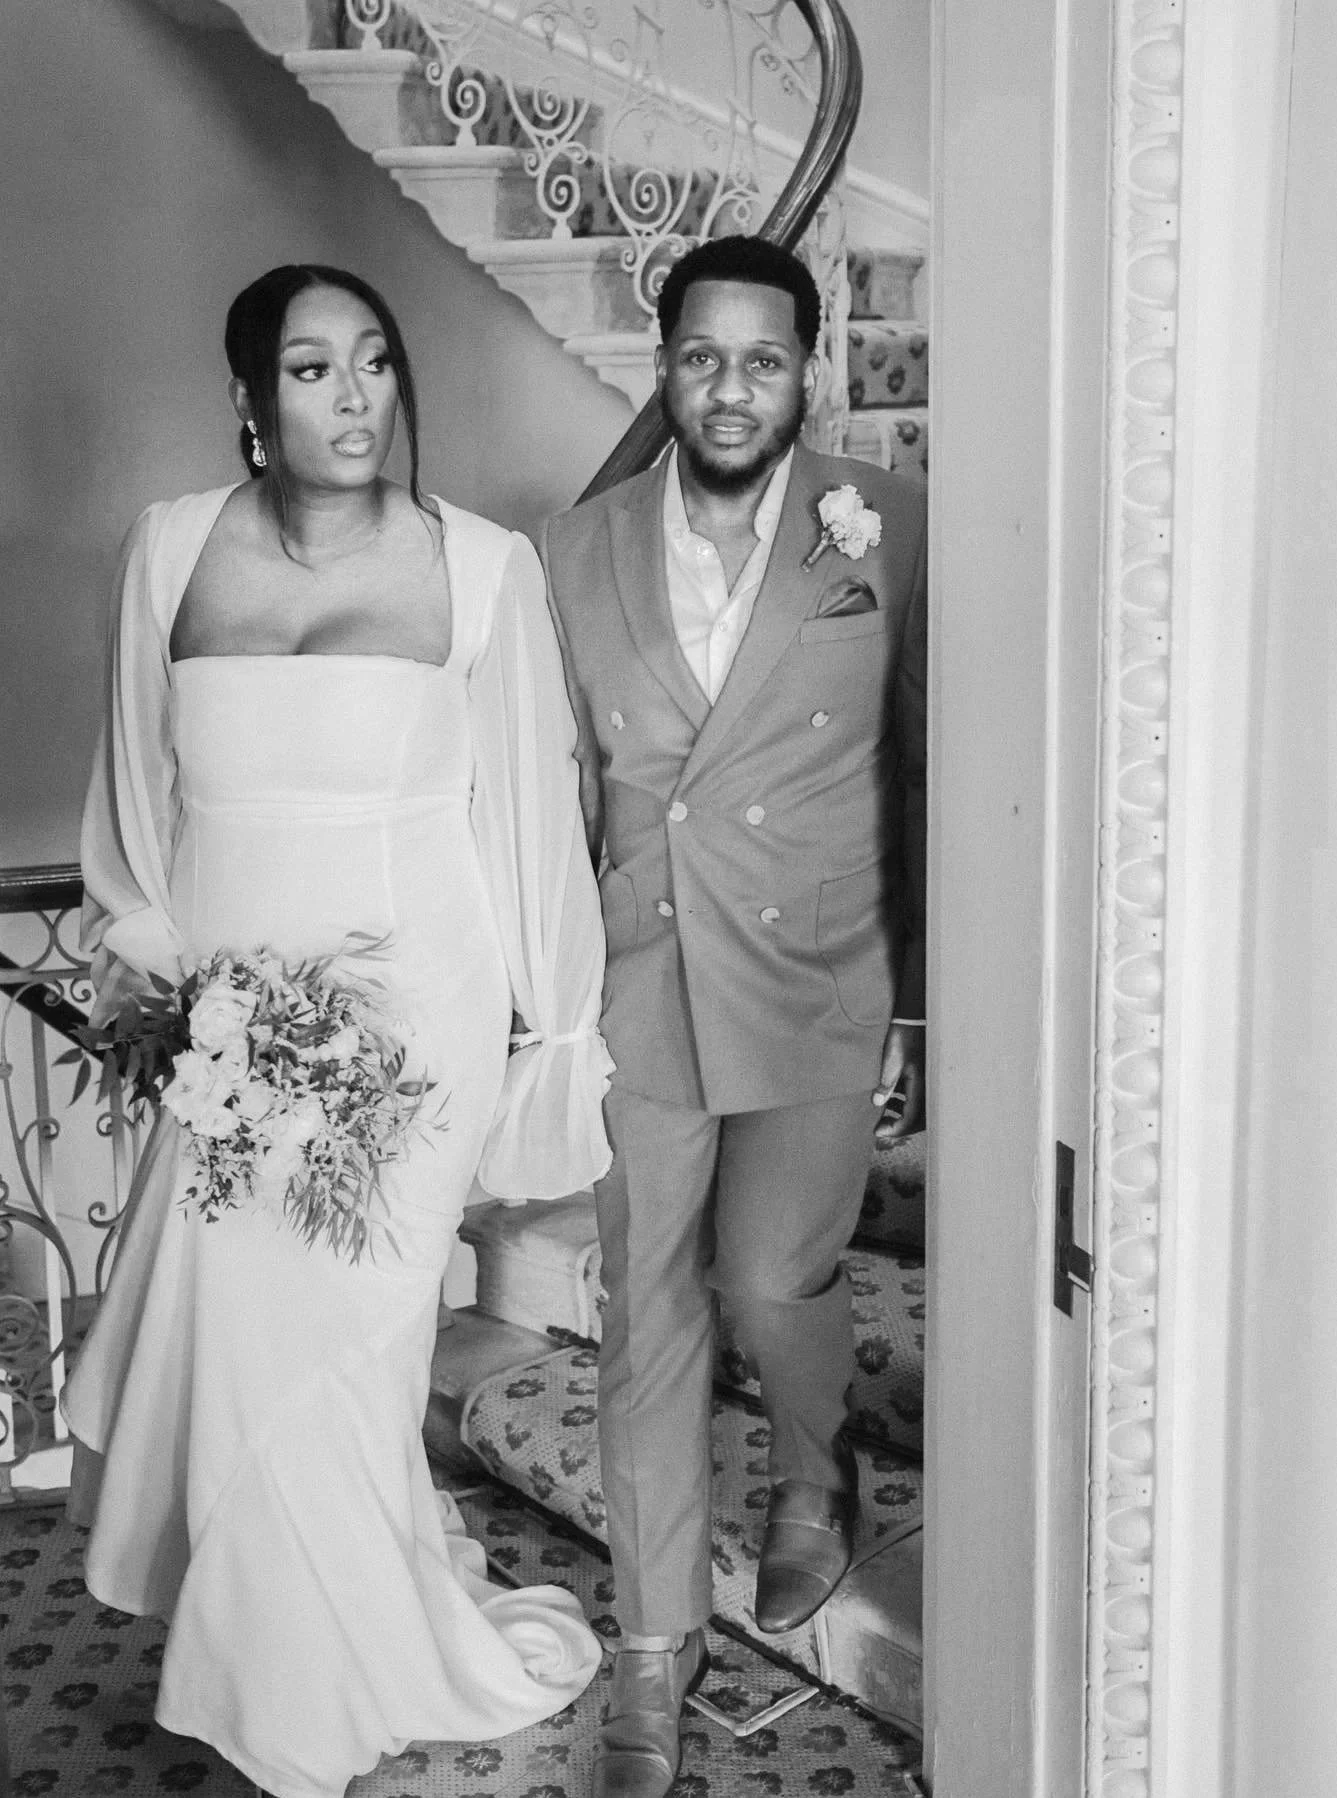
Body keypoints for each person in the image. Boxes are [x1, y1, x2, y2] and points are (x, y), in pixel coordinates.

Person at [64, 264, 613, 1798]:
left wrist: (555, 1038)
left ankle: (293, 1700)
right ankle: (290, 1671)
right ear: (252, 401)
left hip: (408, 1034)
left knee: (355, 1359)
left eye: (373, 359)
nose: (356, 393)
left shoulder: (483, 566)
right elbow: (136, 806)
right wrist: (162, 989)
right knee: (253, 1355)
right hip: (229, 1038)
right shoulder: (169, 549)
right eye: (313, 368)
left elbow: (530, 826)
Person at [540, 234, 927, 1798]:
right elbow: (559, 793)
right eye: (702, 357)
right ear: (664, 366)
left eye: (763, 360)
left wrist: (927, 1019)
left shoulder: (887, 524)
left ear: (807, 376)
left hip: (823, 972)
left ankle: (817, 1465)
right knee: (647, 1312)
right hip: (640, 983)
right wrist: (545, 1008)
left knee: (773, 1277)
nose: (729, 388)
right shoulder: (571, 549)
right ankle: (653, 1644)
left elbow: (925, 775)